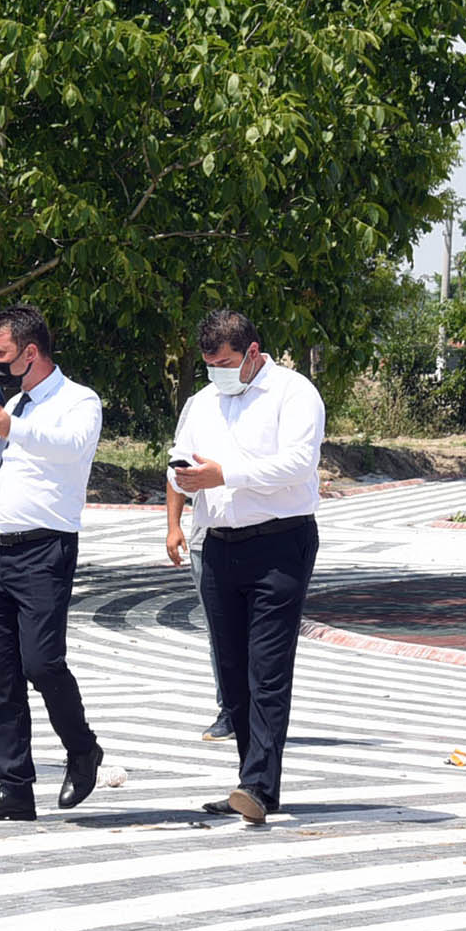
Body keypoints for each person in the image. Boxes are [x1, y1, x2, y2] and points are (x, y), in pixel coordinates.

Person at [164, 311, 323, 826]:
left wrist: (222, 473)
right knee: (230, 669)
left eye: (227, 363)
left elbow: (298, 464)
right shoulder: (201, 401)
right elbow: (179, 460)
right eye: (209, 365)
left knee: (267, 667)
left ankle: (258, 783)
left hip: (280, 543)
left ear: (253, 352)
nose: (218, 374)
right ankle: (251, 781)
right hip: (218, 544)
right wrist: (182, 496)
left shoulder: (294, 393)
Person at [0, 305, 104, 822]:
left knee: (42, 663)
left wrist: (13, 426)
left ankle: (82, 748)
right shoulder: (13, 404)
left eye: (0, 352)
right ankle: (14, 785)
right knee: (0, 673)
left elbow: (71, 449)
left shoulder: (77, 401)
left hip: (45, 551)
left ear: (31, 352)